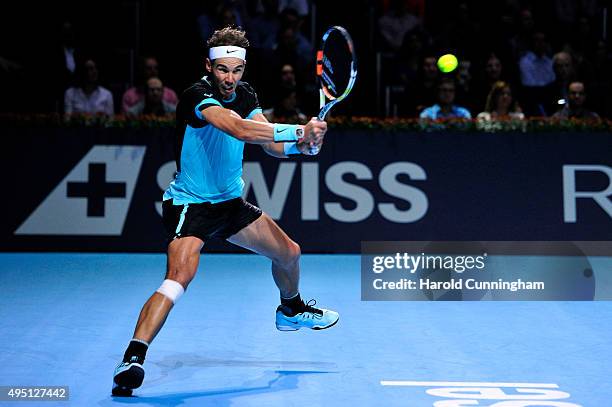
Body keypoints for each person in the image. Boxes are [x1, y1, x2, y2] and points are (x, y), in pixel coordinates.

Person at [112, 26, 338, 397]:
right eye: (222, 70)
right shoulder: (196, 96)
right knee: (178, 278)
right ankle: (133, 358)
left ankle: (291, 309)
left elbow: (269, 145)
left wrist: (302, 147)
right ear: (209, 66)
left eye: (237, 70)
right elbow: (237, 129)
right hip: (191, 205)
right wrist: (299, 131)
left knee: (290, 253)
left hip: (230, 205)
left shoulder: (246, 93)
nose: (230, 79)